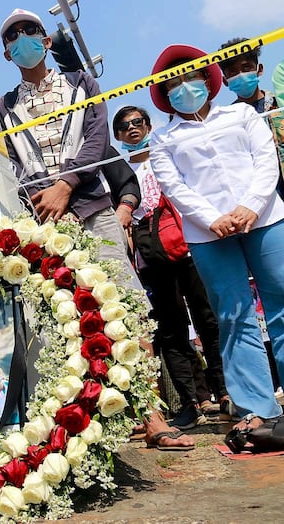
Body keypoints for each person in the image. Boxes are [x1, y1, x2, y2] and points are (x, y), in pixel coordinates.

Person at [148, 43, 284, 432]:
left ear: (208, 80)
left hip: (267, 220)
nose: (184, 86)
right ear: (164, 94)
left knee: (282, 305)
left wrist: (251, 207)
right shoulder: (162, 139)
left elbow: (265, 161)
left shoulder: (242, 115)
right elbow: (174, 187)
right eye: (174, 82)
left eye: (191, 76)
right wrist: (213, 219)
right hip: (209, 235)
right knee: (233, 315)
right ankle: (257, 410)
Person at [0, 8, 143, 292]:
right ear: (7, 54)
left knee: (125, 300)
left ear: (46, 41)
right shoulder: (3, 107)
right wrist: (46, 200)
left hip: (94, 208)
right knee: (69, 312)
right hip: (44, 218)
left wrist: (65, 185)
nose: (22, 38)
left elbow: (97, 139)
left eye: (29, 31)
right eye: (13, 36)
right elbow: (11, 164)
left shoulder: (81, 83)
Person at [114, 105, 228, 428]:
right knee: (171, 330)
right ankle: (191, 402)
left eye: (138, 122)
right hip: (150, 257)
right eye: (124, 126)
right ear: (118, 136)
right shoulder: (117, 171)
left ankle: (224, 392)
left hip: (188, 244)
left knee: (208, 319)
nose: (132, 128)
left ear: (149, 126)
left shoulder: (168, 152)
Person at [218, 37, 283, 200]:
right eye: (232, 72)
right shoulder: (225, 122)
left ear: (259, 69)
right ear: (225, 81)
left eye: (246, 68)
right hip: (261, 201)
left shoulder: (280, 105)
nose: (241, 75)